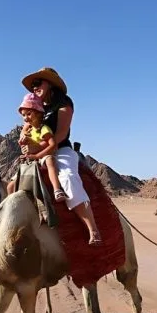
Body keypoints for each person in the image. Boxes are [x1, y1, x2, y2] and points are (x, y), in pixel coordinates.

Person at [22, 67, 102, 245]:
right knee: (14, 183)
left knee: (68, 178)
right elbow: (26, 130)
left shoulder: (63, 103)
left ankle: (93, 229)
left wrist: (38, 147)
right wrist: (26, 140)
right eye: (32, 85)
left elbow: (60, 134)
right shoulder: (35, 107)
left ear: (50, 83)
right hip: (39, 152)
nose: (34, 87)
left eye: (38, 83)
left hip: (60, 149)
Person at [10, 92, 67, 201]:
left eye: (29, 114)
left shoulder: (44, 129)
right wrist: (25, 143)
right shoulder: (29, 131)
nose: (26, 118)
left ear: (39, 113)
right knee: (10, 186)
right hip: (32, 158)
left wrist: (37, 156)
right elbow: (28, 146)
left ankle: (57, 189)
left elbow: (53, 145)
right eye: (23, 115)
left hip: (43, 156)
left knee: (50, 160)